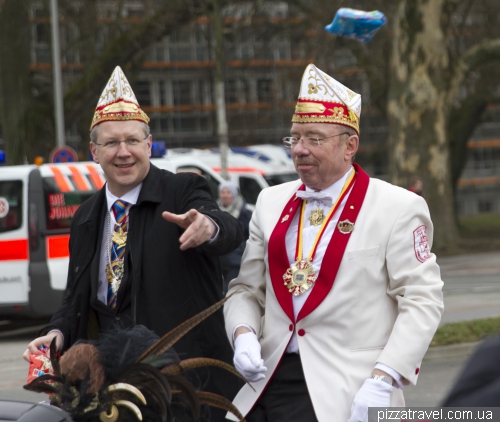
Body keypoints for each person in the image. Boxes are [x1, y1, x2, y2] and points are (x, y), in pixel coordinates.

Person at [223, 63, 444, 422]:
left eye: (314, 138)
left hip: (349, 389)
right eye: (294, 137)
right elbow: (246, 290)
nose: (299, 149)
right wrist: (244, 332)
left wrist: (384, 378)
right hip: (266, 381)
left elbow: (422, 301)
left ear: (350, 145)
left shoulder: (398, 207)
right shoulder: (270, 202)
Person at [23, 66, 243, 421]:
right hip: (112, 392)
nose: (123, 152)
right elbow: (75, 298)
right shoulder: (86, 217)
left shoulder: (182, 190)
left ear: (148, 143)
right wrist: (54, 334)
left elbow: (230, 230)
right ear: (94, 151)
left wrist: (209, 226)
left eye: (132, 141)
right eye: (111, 143)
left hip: (185, 387)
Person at [216, 181, 252, 293]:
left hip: (236, 260)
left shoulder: (245, 213)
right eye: (222, 192)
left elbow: (250, 237)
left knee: (229, 291)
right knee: (218, 291)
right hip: (218, 260)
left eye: (228, 192)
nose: (225, 195)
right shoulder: (214, 211)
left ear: (234, 194)